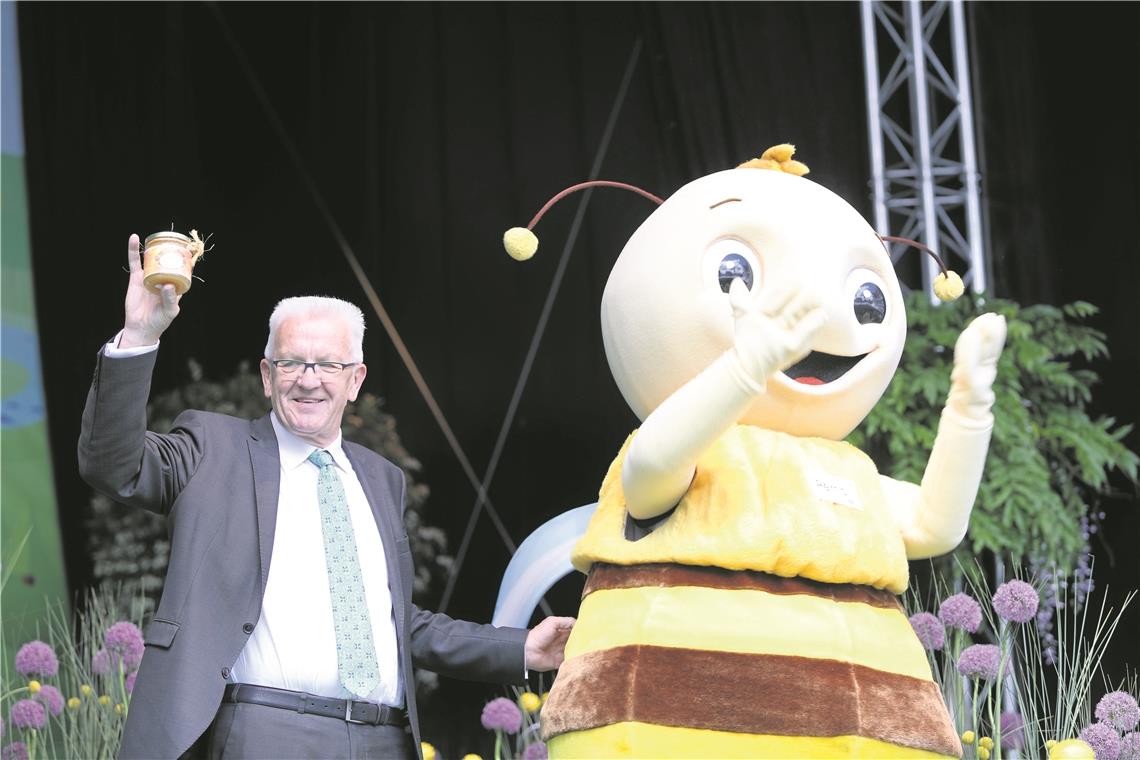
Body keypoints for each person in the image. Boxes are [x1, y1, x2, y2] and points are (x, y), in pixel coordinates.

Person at [78, 235, 575, 760]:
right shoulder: (213, 448)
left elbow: (397, 620)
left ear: (355, 380)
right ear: (267, 377)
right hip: (264, 731)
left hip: (384, 737)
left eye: (328, 365)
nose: (308, 380)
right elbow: (114, 464)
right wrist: (138, 334)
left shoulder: (382, 478)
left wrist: (520, 646)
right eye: (292, 363)